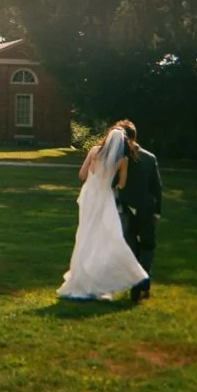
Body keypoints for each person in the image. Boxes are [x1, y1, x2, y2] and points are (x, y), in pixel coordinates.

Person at [57, 125, 149, 301]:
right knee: (106, 237)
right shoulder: (122, 159)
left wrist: (95, 175)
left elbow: (82, 175)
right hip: (105, 198)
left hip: (88, 196)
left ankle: (81, 278)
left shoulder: (94, 151)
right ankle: (104, 279)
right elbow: (122, 184)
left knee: (85, 235)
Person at [114, 120, 162, 304]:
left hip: (127, 207)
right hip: (145, 208)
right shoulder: (149, 158)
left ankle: (140, 281)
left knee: (134, 247)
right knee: (147, 246)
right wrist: (157, 210)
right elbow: (157, 188)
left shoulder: (119, 158)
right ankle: (142, 281)